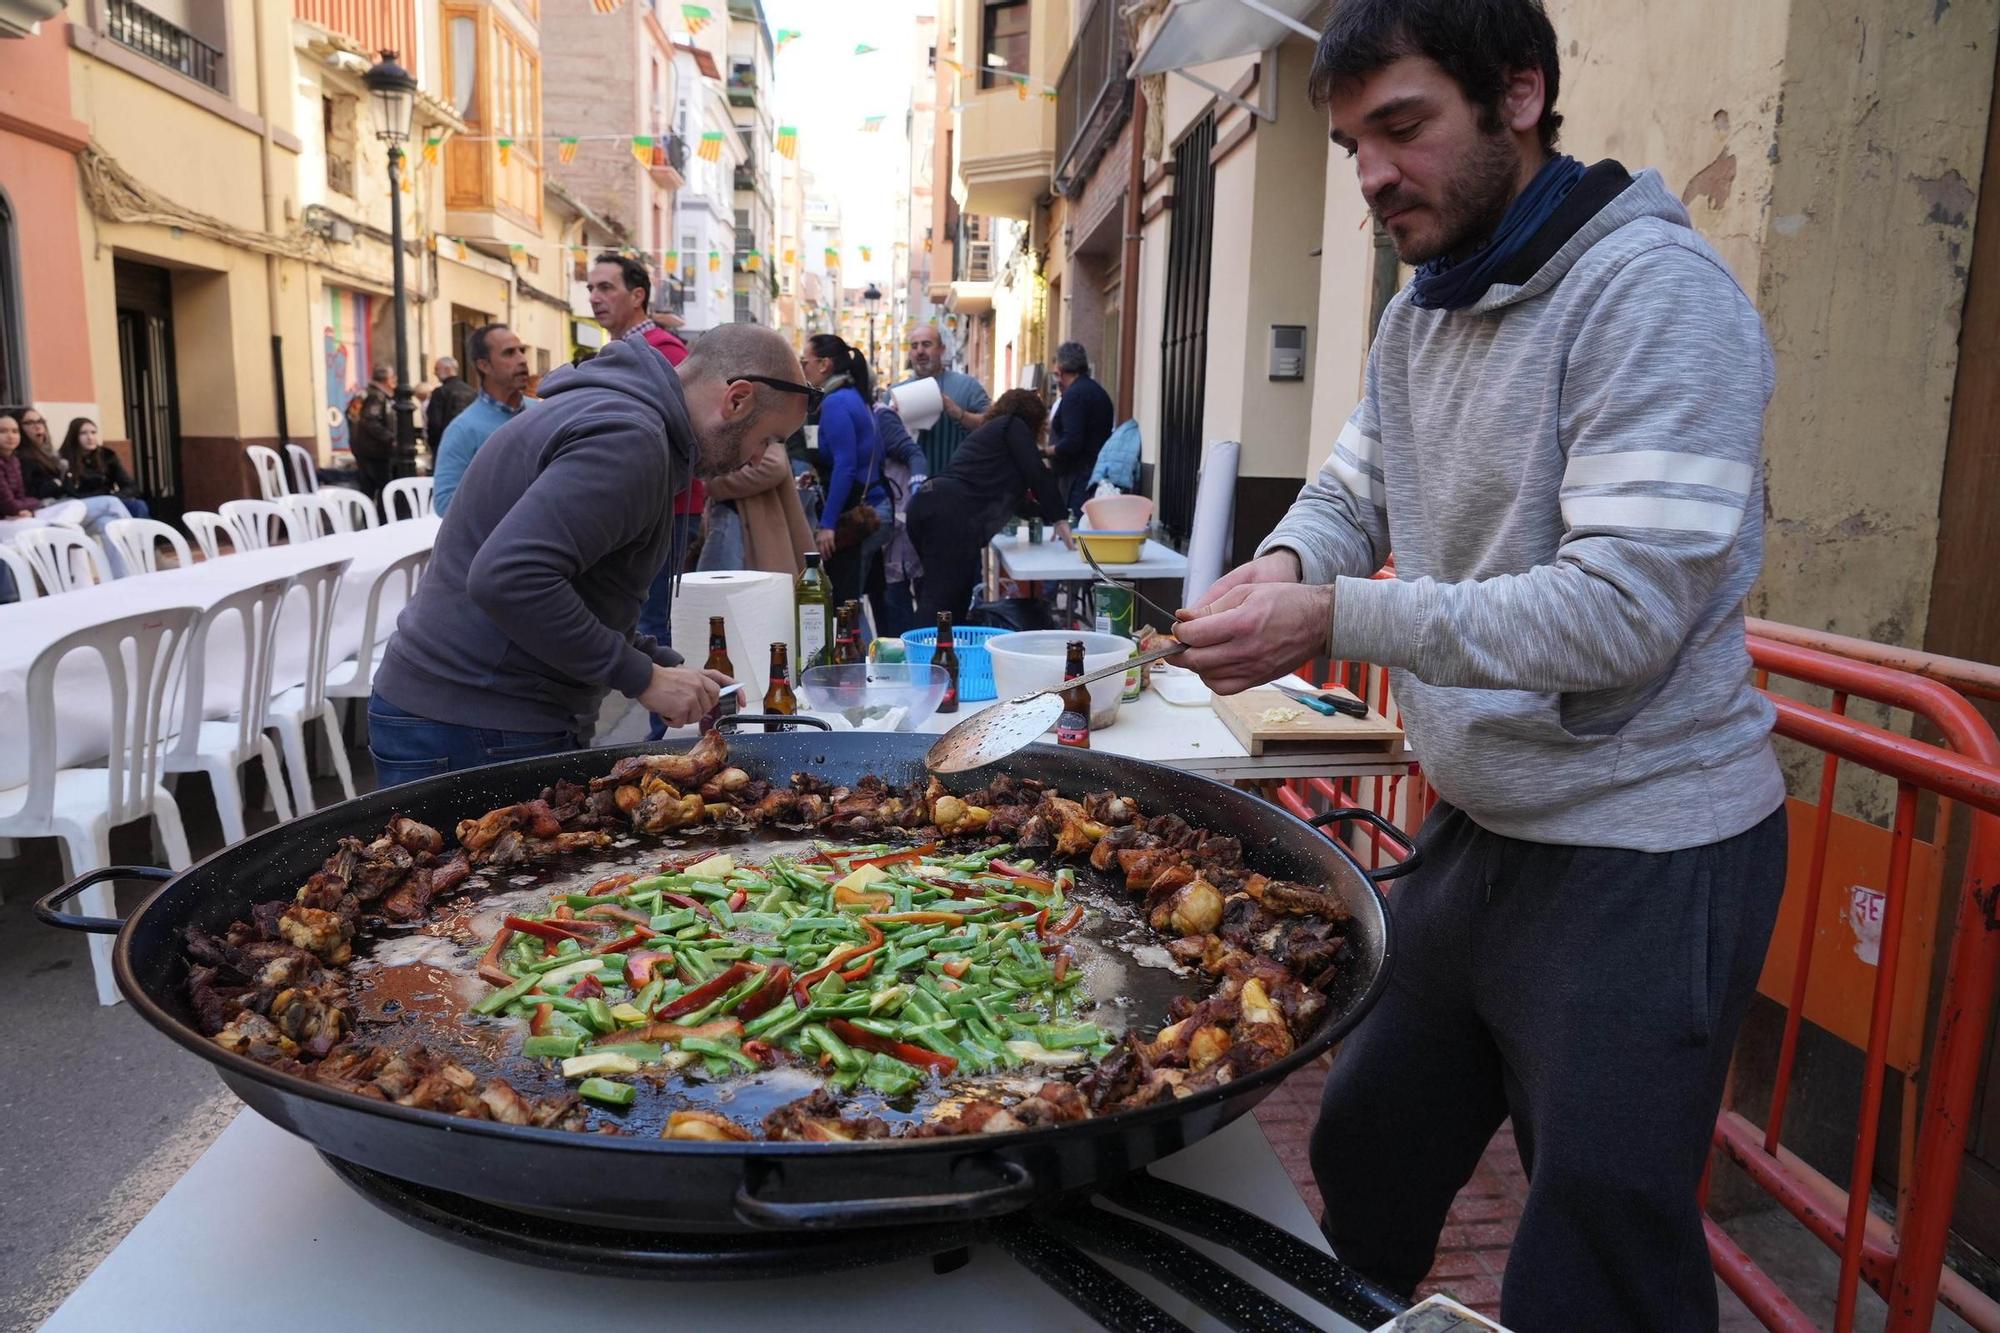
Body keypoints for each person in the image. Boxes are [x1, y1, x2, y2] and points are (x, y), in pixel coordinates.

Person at [1172, 3, 1786, 1327]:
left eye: (1403, 127)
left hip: (1649, 852)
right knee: (1369, 1136)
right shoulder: (1422, 312)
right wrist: (1284, 569)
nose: (1375, 173)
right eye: (1351, 146)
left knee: (1599, 1244)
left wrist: (1335, 619)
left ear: (1520, 97)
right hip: (1485, 825)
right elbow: (1351, 489)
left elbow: (1621, 614)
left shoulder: (1658, 300)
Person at [367, 324, 812, 783]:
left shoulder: (625, 418)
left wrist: (656, 663)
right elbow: (509, 577)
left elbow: (579, 586)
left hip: (474, 715)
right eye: (767, 439)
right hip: (471, 721)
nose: (760, 458)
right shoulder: (630, 439)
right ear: (736, 400)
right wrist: (642, 677)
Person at [591, 252, 704, 652]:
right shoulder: (622, 351)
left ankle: (674, 713)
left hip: (668, 514)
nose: (594, 297)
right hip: (640, 511)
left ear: (637, 295)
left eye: (606, 287)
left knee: (658, 627)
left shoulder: (664, 351)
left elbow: (692, 432)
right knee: (641, 623)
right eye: (591, 287)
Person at [906, 389, 1071, 624]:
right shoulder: (1012, 425)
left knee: (951, 598)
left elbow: (1018, 502)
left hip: (930, 504)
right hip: (949, 514)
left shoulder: (994, 439)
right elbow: (1037, 471)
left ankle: (943, 656)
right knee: (942, 601)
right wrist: (1060, 518)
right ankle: (921, 658)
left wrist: (1048, 516)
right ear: (1032, 417)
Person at [802, 334, 890, 612]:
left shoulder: (836, 402)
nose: (803, 367)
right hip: (875, 505)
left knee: (844, 605)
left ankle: (854, 655)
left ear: (825, 364)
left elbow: (846, 466)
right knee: (856, 601)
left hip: (859, 512)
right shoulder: (854, 397)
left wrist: (828, 525)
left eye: (806, 361)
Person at [10, 408, 132, 573]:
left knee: (107, 523)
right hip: (48, 511)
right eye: (29, 423)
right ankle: (136, 552)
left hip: (66, 508)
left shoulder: (48, 455)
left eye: (40, 422)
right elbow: (37, 491)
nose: (37, 427)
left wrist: (60, 481)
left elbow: (66, 489)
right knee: (112, 502)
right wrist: (58, 483)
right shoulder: (21, 457)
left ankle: (124, 576)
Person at [431, 324, 531, 516]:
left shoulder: (542, 411)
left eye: (522, 351)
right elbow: (445, 504)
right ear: (483, 365)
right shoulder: (462, 430)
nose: (522, 360)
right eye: (509, 353)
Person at [696, 432, 814, 577]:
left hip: (748, 523)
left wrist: (713, 483)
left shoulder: (758, 418)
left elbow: (774, 466)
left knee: (715, 590)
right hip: (736, 517)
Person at [895, 323, 991, 474]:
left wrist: (960, 414)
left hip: (959, 485)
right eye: (914, 346)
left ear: (942, 349)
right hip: (911, 489)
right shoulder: (895, 393)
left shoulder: (968, 387)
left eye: (926, 344)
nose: (920, 351)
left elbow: (992, 425)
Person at [871, 401, 927, 635]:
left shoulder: (880, 416)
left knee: (894, 603)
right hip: (884, 522)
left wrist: (917, 488)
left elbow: (914, 454)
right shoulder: (868, 414)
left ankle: (905, 664)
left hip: (897, 523)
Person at [1047, 341, 1114, 514]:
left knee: (1076, 532)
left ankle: (1080, 544)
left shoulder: (1074, 395)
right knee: (1084, 530)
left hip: (1076, 479)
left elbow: (1072, 442)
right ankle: (1082, 543)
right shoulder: (1098, 392)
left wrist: (1045, 452)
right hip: (1093, 475)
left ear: (1060, 369)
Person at [59, 418, 150, 519]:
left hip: (109, 501)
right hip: (82, 506)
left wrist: (113, 497)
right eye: (83, 433)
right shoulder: (64, 459)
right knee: (106, 519)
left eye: (93, 432)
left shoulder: (107, 456)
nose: (90, 437)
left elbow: (130, 486)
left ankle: (142, 534)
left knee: (138, 506)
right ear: (74, 436)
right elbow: (69, 492)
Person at [351, 364, 397, 501]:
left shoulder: (365, 393)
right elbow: (371, 420)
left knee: (368, 490)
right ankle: (379, 520)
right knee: (380, 490)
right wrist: (391, 438)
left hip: (365, 449)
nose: (395, 380)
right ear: (387, 379)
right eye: (393, 377)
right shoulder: (376, 396)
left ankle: (370, 519)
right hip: (374, 451)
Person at [425, 355, 477, 449]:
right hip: (468, 442)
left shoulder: (440, 392)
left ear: (448, 369)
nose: (435, 373)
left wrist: (433, 443)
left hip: (446, 443)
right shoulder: (472, 392)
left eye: (437, 369)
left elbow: (434, 423)